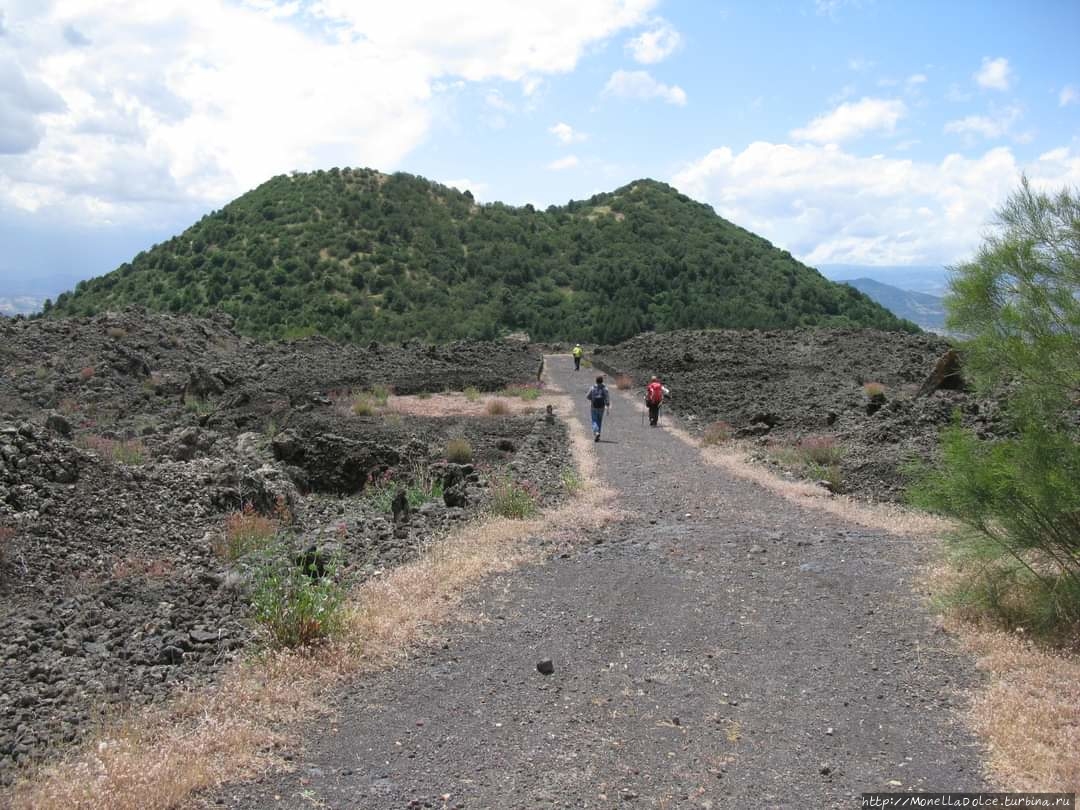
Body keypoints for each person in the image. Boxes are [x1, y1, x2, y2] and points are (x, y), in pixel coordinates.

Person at [586, 375, 610, 442]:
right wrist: (607, 406)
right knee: (599, 421)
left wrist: (592, 399)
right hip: (601, 407)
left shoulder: (592, 388)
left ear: (596, 381)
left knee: (594, 420)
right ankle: (598, 434)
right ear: (602, 381)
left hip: (594, 406)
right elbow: (607, 398)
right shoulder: (605, 389)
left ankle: (596, 432)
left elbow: (587, 396)